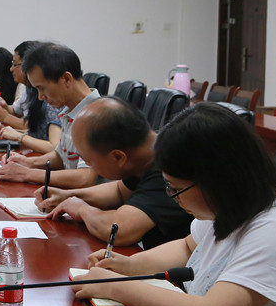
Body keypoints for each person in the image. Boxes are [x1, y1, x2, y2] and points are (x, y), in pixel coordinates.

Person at [71, 103, 276, 306]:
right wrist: (128, 266)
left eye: (176, 188)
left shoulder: (274, 228)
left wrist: (114, 286)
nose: (173, 197)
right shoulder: (228, 207)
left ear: (217, 179)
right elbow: (188, 247)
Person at [35, 97, 193, 249]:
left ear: (117, 157)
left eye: (88, 161)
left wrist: (82, 209)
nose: (88, 165)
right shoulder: (143, 153)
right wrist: (68, 196)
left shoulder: (168, 166)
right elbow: (119, 191)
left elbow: (118, 230)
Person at [0, 42, 99, 189]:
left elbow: (85, 178)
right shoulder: (69, 110)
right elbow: (61, 157)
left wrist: (27, 174)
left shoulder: (97, 115)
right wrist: (27, 162)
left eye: (41, 88)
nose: (40, 97)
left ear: (66, 79)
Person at [0, 40, 61, 154]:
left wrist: (18, 134)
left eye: (15, 64)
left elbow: (53, 147)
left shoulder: (52, 98)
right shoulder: (30, 89)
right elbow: (34, 130)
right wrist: (9, 131)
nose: (11, 69)